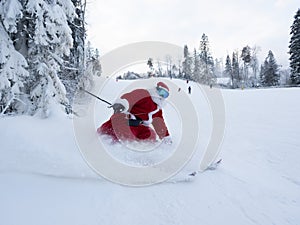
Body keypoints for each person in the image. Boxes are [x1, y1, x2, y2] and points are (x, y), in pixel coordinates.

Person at [98, 82, 172, 144]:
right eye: (161, 92)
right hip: (124, 120)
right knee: (125, 133)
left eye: (165, 95)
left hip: (137, 125)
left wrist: (165, 136)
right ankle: (117, 145)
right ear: (156, 89)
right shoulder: (144, 94)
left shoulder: (157, 109)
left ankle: (145, 149)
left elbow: (159, 123)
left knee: (150, 134)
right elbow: (130, 97)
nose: (161, 96)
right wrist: (122, 103)